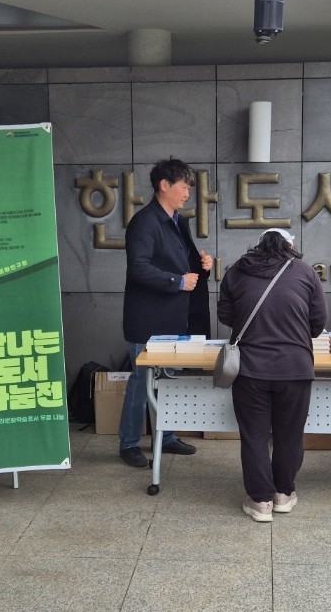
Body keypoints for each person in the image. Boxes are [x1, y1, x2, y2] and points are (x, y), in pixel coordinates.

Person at [217, 228, 327, 522]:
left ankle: (260, 501)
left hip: (250, 369)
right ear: (290, 246)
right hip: (295, 368)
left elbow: (226, 316)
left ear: (258, 245)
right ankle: (282, 493)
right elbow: (317, 324)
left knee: (254, 436)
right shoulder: (305, 272)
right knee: (289, 435)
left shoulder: (236, 271)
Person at [119, 158, 212, 467]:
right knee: (141, 381)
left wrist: (202, 266)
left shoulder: (177, 220)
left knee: (170, 379)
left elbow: (183, 265)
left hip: (175, 316)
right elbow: (139, 268)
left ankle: (167, 436)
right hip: (147, 318)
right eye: (184, 187)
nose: (187, 193)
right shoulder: (145, 222)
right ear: (164, 185)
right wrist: (177, 281)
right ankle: (129, 443)